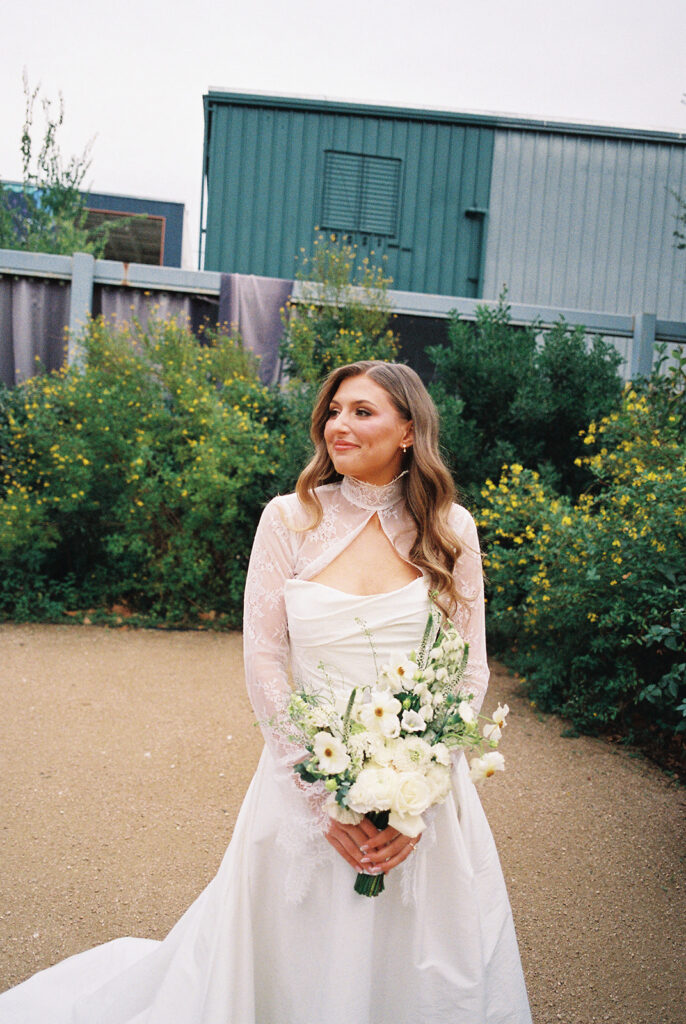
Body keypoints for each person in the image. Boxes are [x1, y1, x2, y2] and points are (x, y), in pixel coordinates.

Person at [0, 360, 532, 1023]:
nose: (339, 423)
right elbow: (265, 656)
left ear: (408, 431)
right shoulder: (291, 518)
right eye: (334, 410)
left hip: (419, 802)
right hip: (303, 782)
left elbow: (469, 671)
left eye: (362, 411)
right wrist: (318, 791)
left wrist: (417, 792)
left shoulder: (453, 530)